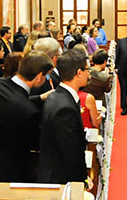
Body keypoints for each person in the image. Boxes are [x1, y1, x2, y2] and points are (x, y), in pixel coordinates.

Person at [0, 51, 54, 182]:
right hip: (10, 169)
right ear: (38, 77)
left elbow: (13, 101)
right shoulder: (29, 112)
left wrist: (40, 98)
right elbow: (35, 143)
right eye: (47, 76)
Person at [38, 51, 91, 184]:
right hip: (61, 179)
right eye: (87, 70)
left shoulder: (56, 95)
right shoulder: (64, 108)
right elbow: (71, 151)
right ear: (79, 72)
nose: (88, 73)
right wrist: (82, 179)